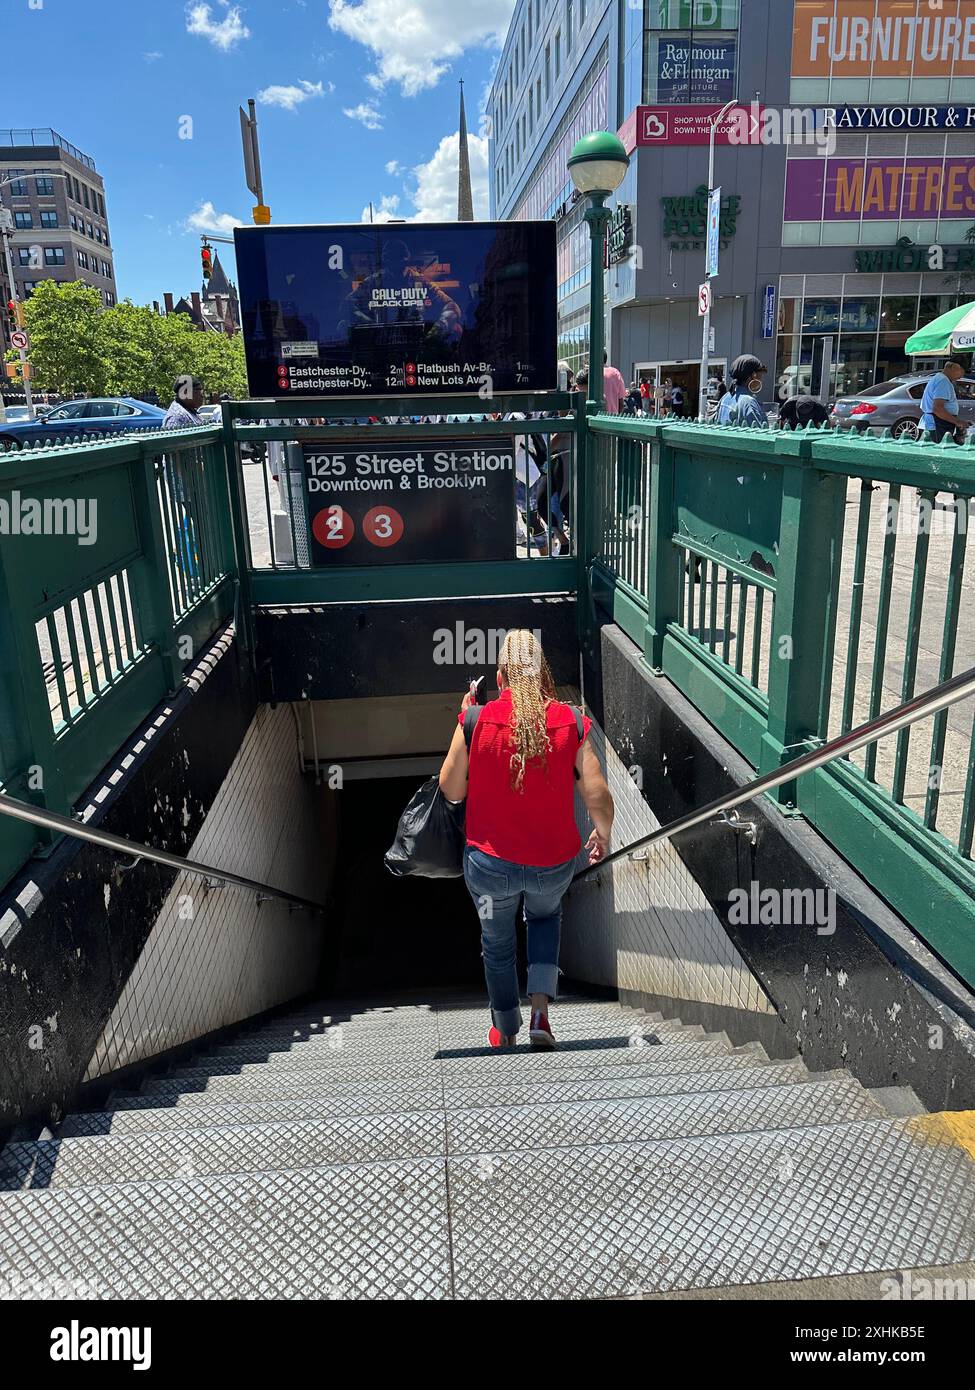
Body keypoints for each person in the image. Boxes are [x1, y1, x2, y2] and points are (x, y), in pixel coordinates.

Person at [438, 630, 614, 1049]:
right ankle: (540, 1014)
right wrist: (602, 833)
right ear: (541, 674)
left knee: (497, 944)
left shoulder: (476, 720)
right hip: (551, 865)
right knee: (544, 920)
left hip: (488, 864)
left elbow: (450, 789)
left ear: (501, 678)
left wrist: (466, 723)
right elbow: (597, 792)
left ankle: (505, 1028)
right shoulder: (571, 721)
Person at [921, 358, 967, 443]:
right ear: (955, 367)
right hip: (937, 423)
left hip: (937, 422)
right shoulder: (943, 381)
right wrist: (957, 422)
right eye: (962, 373)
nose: (961, 377)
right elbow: (938, 409)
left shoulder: (940, 378)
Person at [716, 355, 769, 427]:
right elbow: (758, 435)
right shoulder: (748, 402)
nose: (761, 380)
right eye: (761, 375)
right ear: (754, 375)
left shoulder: (725, 398)